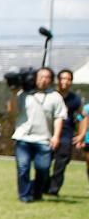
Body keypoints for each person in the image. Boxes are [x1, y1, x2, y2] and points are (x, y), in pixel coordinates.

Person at [7, 68, 67, 202]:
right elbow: (12, 111)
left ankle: (37, 193)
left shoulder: (55, 97)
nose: (43, 80)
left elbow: (59, 117)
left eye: (47, 77)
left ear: (51, 80)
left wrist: (56, 136)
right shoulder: (23, 94)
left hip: (44, 140)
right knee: (23, 168)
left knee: (43, 169)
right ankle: (24, 196)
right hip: (23, 138)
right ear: (34, 78)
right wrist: (13, 93)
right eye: (40, 77)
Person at [46, 69, 82, 196]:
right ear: (58, 80)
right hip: (48, 134)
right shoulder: (50, 95)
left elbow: (82, 116)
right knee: (44, 163)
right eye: (63, 78)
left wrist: (81, 135)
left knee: (61, 163)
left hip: (66, 135)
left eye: (68, 79)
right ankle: (43, 186)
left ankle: (53, 190)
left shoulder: (75, 99)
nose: (65, 81)